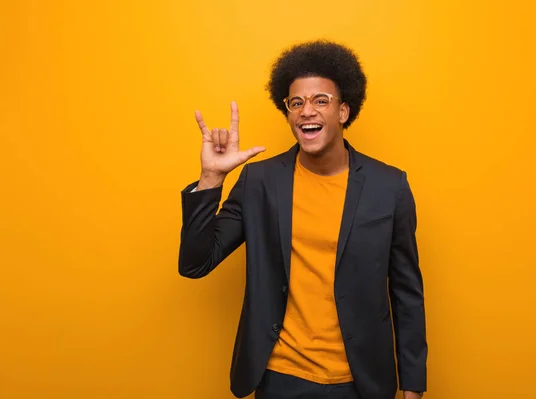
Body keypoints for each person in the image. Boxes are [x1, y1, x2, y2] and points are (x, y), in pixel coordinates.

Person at [178, 40, 427, 399]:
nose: (306, 111)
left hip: (361, 380)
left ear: (343, 111)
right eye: (296, 103)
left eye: (320, 101)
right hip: (280, 375)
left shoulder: (390, 186)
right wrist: (211, 179)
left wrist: (413, 385)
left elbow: (406, 292)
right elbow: (195, 263)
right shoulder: (259, 182)